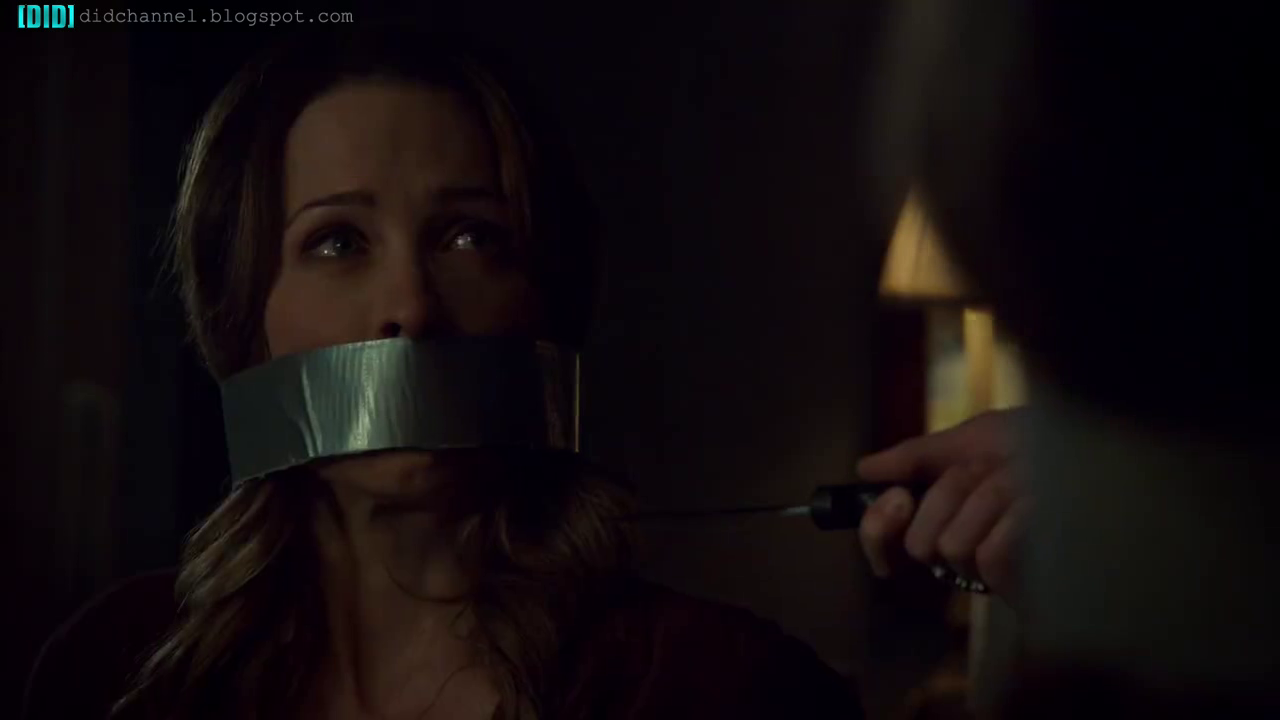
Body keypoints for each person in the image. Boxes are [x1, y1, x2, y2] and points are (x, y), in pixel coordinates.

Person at [22, 26, 861, 720]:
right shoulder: (115, 670)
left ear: (545, 304)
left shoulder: (721, 687)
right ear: (244, 325)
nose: (413, 308)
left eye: (469, 237)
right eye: (338, 241)